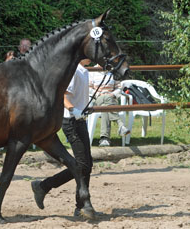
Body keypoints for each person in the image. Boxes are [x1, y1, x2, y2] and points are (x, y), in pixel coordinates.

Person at [31, 59, 95, 217]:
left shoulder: (83, 70)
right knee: (83, 164)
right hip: (71, 121)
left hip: (79, 120)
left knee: (86, 164)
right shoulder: (74, 71)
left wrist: (84, 108)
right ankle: (80, 205)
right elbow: (63, 95)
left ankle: (45, 187)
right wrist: (74, 110)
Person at [89, 69, 130, 146]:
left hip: (111, 99)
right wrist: (99, 94)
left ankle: (104, 139)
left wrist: (113, 94)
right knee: (106, 101)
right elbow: (89, 88)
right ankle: (120, 124)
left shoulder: (113, 72)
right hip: (98, 99)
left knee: (105, 107)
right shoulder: (92, 72)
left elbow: (119, 88)